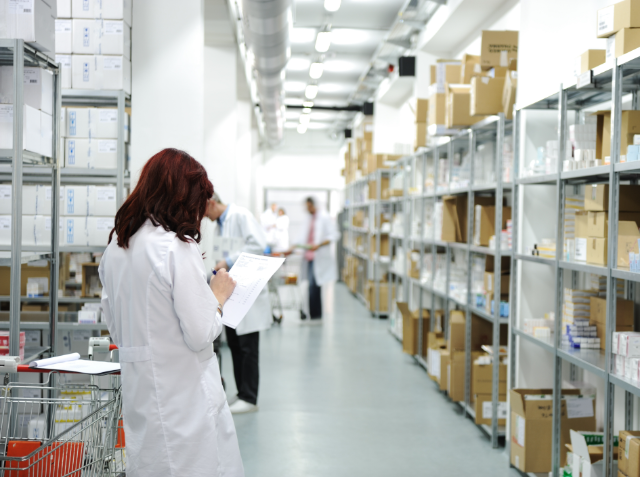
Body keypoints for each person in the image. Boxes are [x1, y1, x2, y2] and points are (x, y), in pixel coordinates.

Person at [98, 148, 244, 477]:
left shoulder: (116, 250)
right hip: (186, 403)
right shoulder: (175, 247)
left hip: (142, 400)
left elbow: (117, 331)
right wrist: (217, 296)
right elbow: (200, 332)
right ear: (183, 198)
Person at [206, 193, 271, 414]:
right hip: (232, 292)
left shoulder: (240, 216)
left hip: (247, 292)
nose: (204, 216)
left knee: (248, 346)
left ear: (211, 203)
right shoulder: (219, 227)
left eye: (204, 209)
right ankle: (242, 392)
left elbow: (260, 244)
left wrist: (228, 261)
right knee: (234, 343)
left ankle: (250, 397)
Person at [287, 197, 340, 321]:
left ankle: (316, 315)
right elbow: (302, 236)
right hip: (309, 257)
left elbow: (334, 235)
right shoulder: (308, 218)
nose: (308, 209)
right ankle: (313, 314)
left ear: (314, 205)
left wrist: (319, 245)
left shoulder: (325, 217)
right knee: (312, 286)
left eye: (309, 206)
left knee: (314, 286)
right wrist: (292, 247)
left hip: (319, 257)